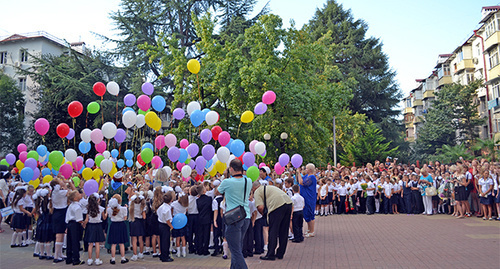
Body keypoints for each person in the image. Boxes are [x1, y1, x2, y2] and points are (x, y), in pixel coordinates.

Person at [215, 159, 252, 269]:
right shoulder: (248, 181)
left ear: (231, 169)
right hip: (246, 216)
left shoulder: (227, 182)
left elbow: (217, 192)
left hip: (233, 218)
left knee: (235, 250)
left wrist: (224, 178)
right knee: (237, 248)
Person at [253, 181, 292, 261]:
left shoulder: (257, 191)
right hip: (288, 203)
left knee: (273, 231)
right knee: (284, 230)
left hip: (276, 206)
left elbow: (260, 207)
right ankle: (280, 253)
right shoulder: (269, 187)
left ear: (254, 188)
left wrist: (264, 215)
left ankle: (270, 254)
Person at [106, 195, 129, 264]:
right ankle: (123, 258)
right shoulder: (123, 209)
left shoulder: (109, 209)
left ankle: (113, 259)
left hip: (113, 225)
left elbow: (110, 217)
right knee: (121, 243)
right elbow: (125, 218)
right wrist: (126, 208)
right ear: (120, 201)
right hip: (121, 224)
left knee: (114, 243)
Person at [84, 193, 106, 266]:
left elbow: (87, 219)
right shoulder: (101, 208)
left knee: (90, 243)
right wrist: (107, 213)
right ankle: (97, 259)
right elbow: (104, 218)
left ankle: (89, 259)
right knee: (97, 243)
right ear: (98, 200)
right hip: (98, 226)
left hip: (90, 226)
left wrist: (83, 224)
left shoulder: (88, 209)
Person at [296, 163, 317, 237]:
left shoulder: (312, 177)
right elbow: (299, 180)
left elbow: (302, 182)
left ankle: (312, 231)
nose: (305, 169)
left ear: (310, 169)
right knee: (306, 213)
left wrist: (299, 172)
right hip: (305, 197)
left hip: (309, 197)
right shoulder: (306, 176)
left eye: (307, 168)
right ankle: (309, 229)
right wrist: (298, 173)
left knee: (310, 213)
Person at [65, 190, 85, 266]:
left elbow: (67, 216)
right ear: (75, 198)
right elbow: (79, 219)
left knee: (69, 241)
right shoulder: (77, 207)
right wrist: (83, 223)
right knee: (75, 241)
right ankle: (76, 259)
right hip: (75, 224)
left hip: (70, 224)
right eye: (78, 194)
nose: (80, 194)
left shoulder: (71, 205)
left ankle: (69, 258)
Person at [157, 191, 174, 262]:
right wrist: (171, 226)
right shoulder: (167, 209)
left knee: (162, 240)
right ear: (170, 200)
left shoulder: (161, 206)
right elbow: (167, 220)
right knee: (165, 241)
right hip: (165, 225)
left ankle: (162, 254)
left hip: (160, 224)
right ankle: (165, 256)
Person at [129, 193, 146, 261]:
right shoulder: (143, 206)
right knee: (140, 239)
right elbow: (144, 217)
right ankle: (141, 253)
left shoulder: (131, 205)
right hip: (140, 222)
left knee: (134, 239)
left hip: (133, 221)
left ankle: (135, 254)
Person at [196, 184, 212, 256]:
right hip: (207, 218)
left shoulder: (198, 200)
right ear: (204, 190)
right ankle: (205, 249)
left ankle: (200, 249)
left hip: (200, 218)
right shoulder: (209, 199)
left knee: (200, 234)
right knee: (206, 234)